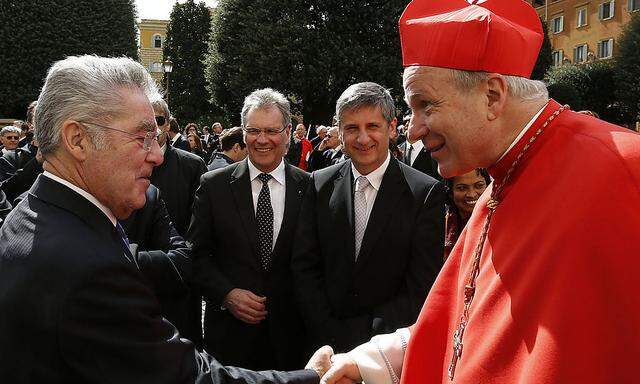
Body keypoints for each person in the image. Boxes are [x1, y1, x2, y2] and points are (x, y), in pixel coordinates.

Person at [321, 0, 640, 383]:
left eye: (425, 105)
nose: (412, 130)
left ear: (492, 95)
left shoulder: (624, 169)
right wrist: (379, 359)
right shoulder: (497, 188)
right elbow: (470, 324)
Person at [0, 55, 332, 384]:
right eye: (140, 136)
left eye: (156, 137)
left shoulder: (28, 215)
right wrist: (313, 377)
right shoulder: (89, 267)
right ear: (78, 139)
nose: (157, 154)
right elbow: (186, 377)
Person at [292, 82, 445, 355]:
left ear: (391, 127)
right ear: (339, 131)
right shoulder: (319, 184)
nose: (363, 139)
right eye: (352, 128)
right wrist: (327, 330)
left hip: (386, 351)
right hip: (322, 346)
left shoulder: (424, 193)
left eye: (372, 126)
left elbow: (420, 284)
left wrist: (364, 335)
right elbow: (305, 266)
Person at [188, 88, 311, 370]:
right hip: (231, 340)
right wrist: (226, 294)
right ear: (243, 132)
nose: (262, 139)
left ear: (288, 132)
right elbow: (195, 256)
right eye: (254, 130)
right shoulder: (213, 185)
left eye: (271, 130)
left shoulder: (310, 187)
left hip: (293, 339)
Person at [443, 168, 490, 260]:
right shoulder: (440, 222)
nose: (471, 194)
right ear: (450, 192)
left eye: (479, 186)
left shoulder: (498, 222)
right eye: (462, 188)